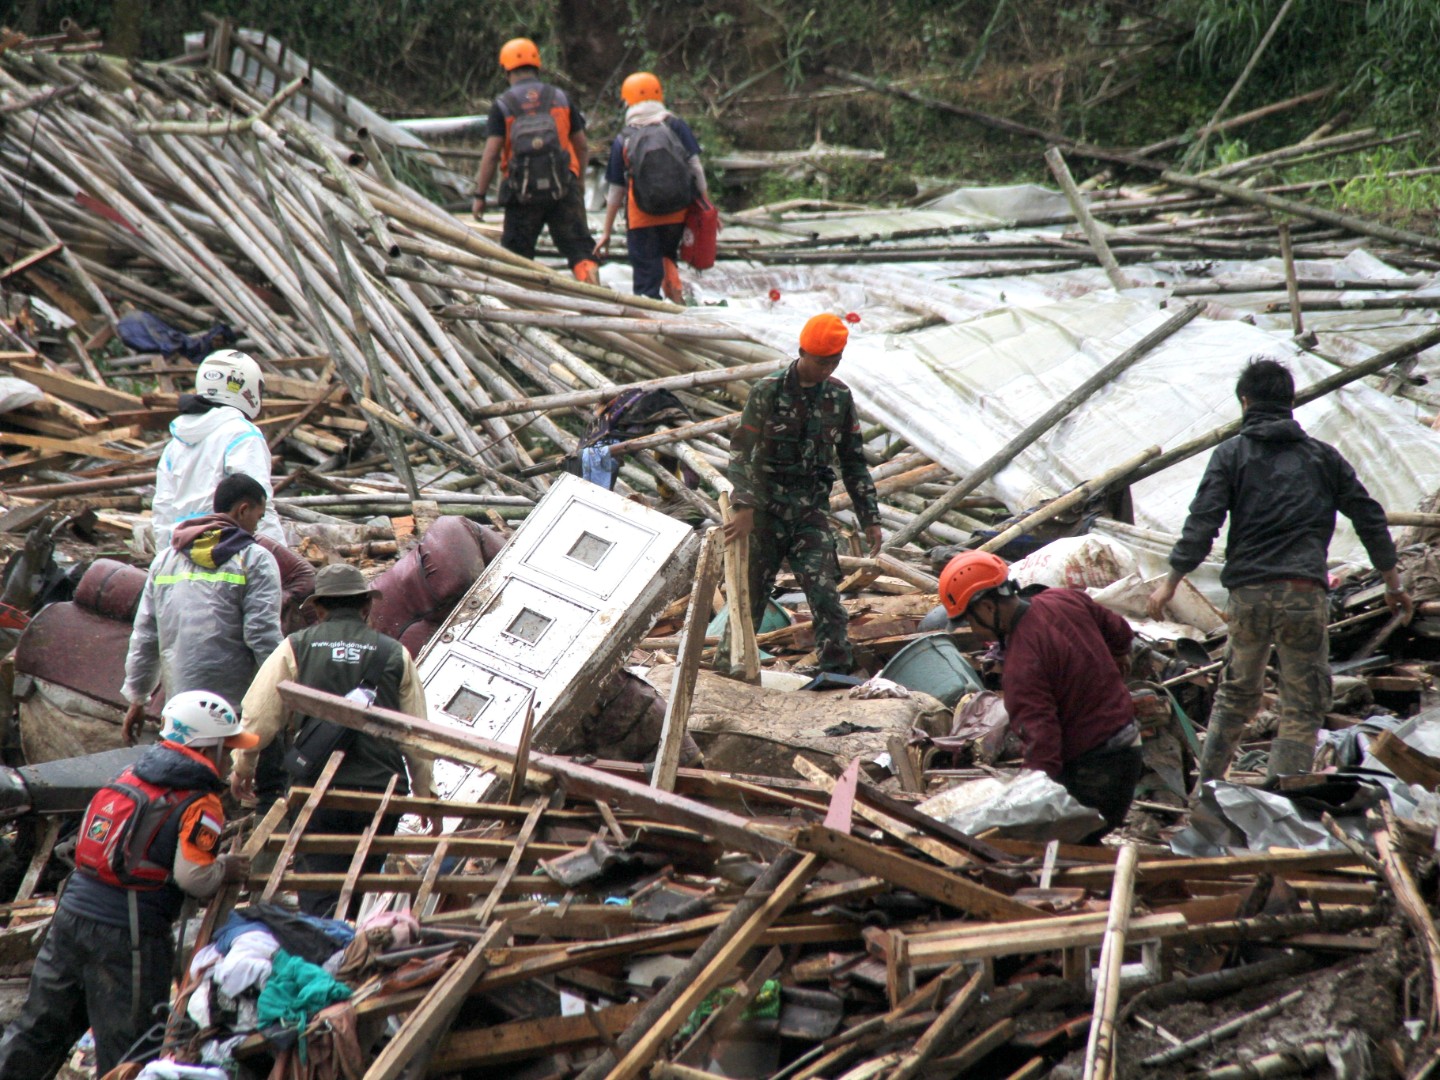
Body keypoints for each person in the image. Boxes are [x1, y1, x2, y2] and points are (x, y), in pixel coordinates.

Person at [1147, 357, 1413, 786]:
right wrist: (1392, 583)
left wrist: (1170, 582)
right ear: (1291, 402)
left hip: (1249, 595)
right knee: (1303, 703)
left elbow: (1202, 525)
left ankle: (1206, 791)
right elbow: (1369, 518)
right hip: (1304, 594)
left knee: (1235, 695)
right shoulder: (1323, 458)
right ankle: (1282, 796)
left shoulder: (1231, 454)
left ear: (1244, 402)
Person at [0, 691, 253, 1079]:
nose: (231, 758)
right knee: (130, 1048)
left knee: (38, 1029)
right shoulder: (200, 801)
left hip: (71, 915)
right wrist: (225, 868)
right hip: (128, 934)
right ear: (208, 747)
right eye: (228, 748)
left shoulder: (130, 772)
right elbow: (195, 878)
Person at [232, 563, 435, 916]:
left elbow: (259, 717)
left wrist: (242, 767)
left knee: (319, 887)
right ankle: (350, 939)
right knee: (361, 887)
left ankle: (323, 939)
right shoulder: (394, 653)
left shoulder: (296, 647)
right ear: (366, 606)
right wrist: (425, 794)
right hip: (381, 790)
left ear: (320, 609)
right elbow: (415, 733)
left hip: (317, 788)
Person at [941, 551, 1142, 840]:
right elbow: (1120, 631)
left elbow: (1043, 751)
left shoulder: (1022, 665)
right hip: (1129, 744)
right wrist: (1119, 655)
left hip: (1096, 776)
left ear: (987, 607)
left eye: (970, 621)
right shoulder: (1064, 599)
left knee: (1050, 849)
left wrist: (1023, 801)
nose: (973, 631)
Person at [724, 313, 881, 675]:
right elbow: (740, 450)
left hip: (809, 513)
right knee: (748, 597)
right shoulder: (768, 391)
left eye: (834, 362)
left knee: (825, 595)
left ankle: (836, 674)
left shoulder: (839, 397)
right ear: (801, 353)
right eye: (821, 362)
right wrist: (744, 505)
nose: (827, 369)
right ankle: (730, 668)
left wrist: (870, 517)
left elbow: (853, 461)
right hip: (764, 512)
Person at [122, 474, 283, 745]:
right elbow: (262, 634)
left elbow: (146, 635)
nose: (258, 526)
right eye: (259, 516)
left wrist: (137, 698)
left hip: (180, 704)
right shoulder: (255, 559)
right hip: (234, 708)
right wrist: (281, 693)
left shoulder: (166, 559)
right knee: (235, 770)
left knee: (181, 767)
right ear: (243, 510)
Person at [471, 37, 599, 284]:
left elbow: (491, 154)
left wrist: (480, 196)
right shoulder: (560, 98)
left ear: (506, 70)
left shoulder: (503, 105)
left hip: (521, 194)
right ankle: (595, 294)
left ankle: (521, 304)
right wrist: (579, 181)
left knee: (516, 257)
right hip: (564, 187)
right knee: (580, 249)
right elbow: (582, 145)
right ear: (537, 66)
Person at [594, 71, 709, 303]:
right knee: (667, 257)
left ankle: (651, 316)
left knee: (646, 280)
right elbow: (696, 168)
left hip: (641, 219)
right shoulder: (675, 126)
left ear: (627, 101)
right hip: (677, 214)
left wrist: (606, 231)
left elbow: (615, 190)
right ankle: (677, 302)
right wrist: (706, 205)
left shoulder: (624, 137)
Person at [152, 348, 284, 550]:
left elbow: (163, 510)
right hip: (226, 547)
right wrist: (278, 555)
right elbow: (258, 505)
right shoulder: (242, 434)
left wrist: (164, 556)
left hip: (182, 545)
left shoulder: (176, 442)